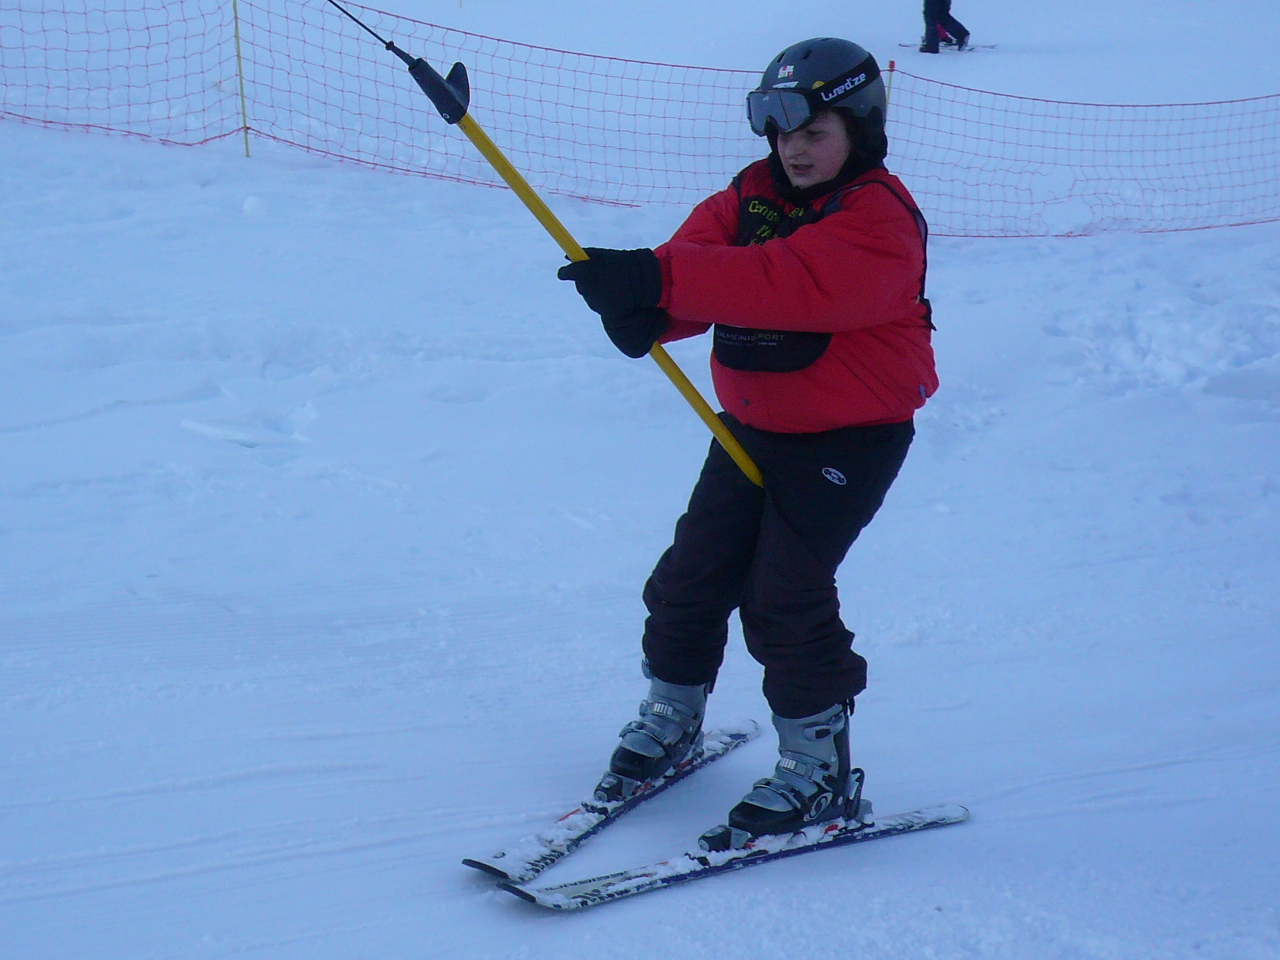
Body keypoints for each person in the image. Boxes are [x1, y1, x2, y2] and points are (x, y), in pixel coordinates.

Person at [558, 37, 936, 848]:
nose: (794, 150)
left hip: (848, 438)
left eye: (815, 133)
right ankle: (672, 713)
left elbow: (788, 284)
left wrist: (658, 278)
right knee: (691, 573)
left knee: (783, 596)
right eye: (782, 132)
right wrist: (652, 308)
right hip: (753, 426)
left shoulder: (879, 220)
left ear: (861, 129)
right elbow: (701, 259)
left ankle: (817, 767)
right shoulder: (753, 194)